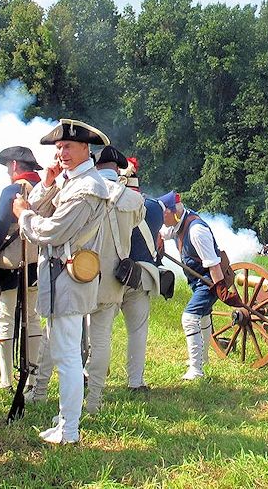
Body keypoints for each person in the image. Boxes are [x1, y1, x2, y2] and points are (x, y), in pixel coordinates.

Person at [12, 119, 109, 445]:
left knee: (67, 357)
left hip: (68, 276)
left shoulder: (88, 188)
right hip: (58, 276)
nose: (62, 153)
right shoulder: (70, 182)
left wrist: (24, 215)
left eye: (68, 146)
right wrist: (48, 182)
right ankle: (66, 420)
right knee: (63, 351)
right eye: (58, 148)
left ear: (86, 148)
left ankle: (69, 429)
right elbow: (42, 207)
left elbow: (51, 231)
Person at [83, 145, 145, 413]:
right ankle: (94, 401)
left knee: (69, 339)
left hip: (80, 272)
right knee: (101, 340)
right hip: (112, 278)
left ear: (96, 166)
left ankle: (47, 393)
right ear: (118, 169)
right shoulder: (133, 200)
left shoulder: (85, 190)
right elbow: (134, 224)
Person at [0, 145, 43, 391]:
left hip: (12, 263)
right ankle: (32, 377)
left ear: (13, 166)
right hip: (37, 263)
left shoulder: (12, 190)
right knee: (32, 318)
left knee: (5, 319)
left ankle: (7, 380)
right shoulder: (46, 189)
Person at [158, 191, 221, 380]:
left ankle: (196, 370)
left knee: (189, 318)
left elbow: (214, 264)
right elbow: (163, 233)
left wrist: (220, 290)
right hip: (199, 281)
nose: (162, 219)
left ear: (172, 212)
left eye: (164, 214)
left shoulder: (196, 230)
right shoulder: (178, 223)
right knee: (202, 318)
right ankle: (203, 359)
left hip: (209, 282)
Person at [121, 157, 166, 392]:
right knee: (137, 332)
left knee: (98, 330)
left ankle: (88, 372)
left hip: (112, 274)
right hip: (142, 275)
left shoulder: (114, 204)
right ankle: (135, 382)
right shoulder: (156, 207)